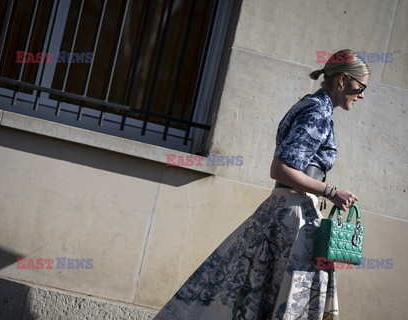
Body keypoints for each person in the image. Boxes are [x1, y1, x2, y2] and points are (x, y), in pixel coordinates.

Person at [154, 49, 370, 320]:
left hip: (287, 212)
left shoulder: (309, 106)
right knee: (286, 303)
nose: (362, 94)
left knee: (250, 298)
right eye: (361, 86)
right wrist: (331, 192)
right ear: (341, 80)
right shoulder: (317, 113)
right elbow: (280, 168)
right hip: (294, 219)